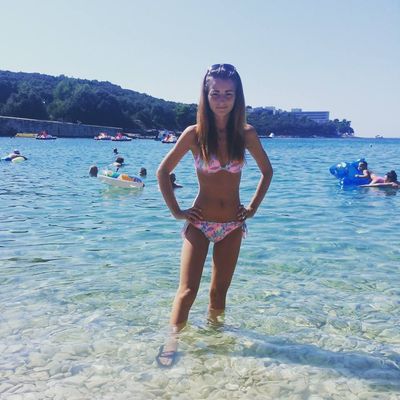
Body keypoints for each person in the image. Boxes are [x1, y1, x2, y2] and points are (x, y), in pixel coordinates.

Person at [156, 63, 273, 367]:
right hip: (198, 223)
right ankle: (172, 342)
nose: (221, 100)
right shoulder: (194, 135)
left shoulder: (246, 134)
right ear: (206, 95)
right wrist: (177, 211)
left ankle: (215, 342)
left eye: (228, 94)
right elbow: (163, 172)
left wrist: (252, 208)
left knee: (219, 292)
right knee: (187, 290)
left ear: (237, 97)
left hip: (232, 225)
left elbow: (267, 171)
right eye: (215, 93)